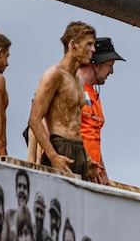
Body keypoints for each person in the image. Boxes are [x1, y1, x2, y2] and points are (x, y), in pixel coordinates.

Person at [28, 21, 96, 178]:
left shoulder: (79, 81)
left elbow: (74, 123)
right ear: (73, 45)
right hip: (59, 147)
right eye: (89, 44)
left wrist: (87, 159)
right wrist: (53, 156)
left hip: (78, 149)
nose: (93, 49)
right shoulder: (54, 74)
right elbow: (34, 119)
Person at [77, 36, 124, 185]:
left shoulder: (94, 94)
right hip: (72, 167)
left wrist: (103, 173)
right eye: (110, 65)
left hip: (91, 172)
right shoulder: (69, 85)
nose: (112, 71)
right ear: (95, 63)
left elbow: (94, 138)